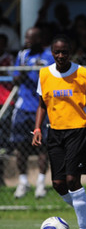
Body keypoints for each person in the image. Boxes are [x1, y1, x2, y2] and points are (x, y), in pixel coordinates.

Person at [32, 35, 86, 229]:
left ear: (70, 52)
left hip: (79, 131)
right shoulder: (45, 74)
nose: (61, 55)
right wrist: (37, 128)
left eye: (65, 51)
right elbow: (42, 104)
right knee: (57, 183)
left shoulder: (82, 74)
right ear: (52, 52)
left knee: (73, 180)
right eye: (57, 52)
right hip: (55, 132)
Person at [11, 27, 54, 199]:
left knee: (43, 147)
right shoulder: (22, 56)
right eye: (26, 37)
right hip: (23, 107)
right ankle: (23, 182)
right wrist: (24, 69)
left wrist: (39, 71)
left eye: (31, 38)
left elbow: (54, 79)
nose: (27, 40)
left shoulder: (49, 56)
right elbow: (15, 79)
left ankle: (41, 184)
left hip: (43, 108)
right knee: (21, 147)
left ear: (39, 38)